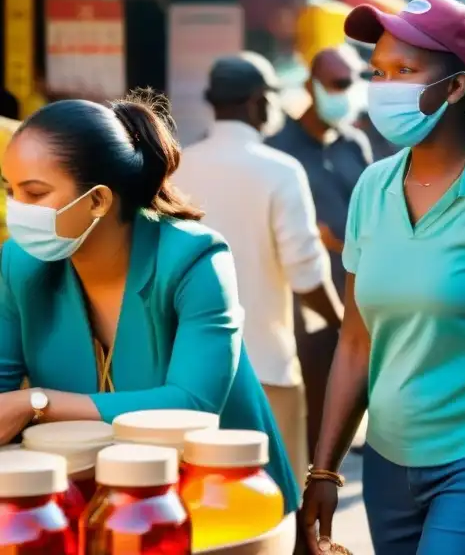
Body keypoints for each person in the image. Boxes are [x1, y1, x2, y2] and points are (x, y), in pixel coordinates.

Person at [301, 0, 465, 555]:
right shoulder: (371, 188)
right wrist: (323, 472)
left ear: (455, 86)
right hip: (388, 459)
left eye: (404, 71)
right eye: (377, 71)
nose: (382, 85)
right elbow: (356, 341)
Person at [0, 91, 301, 512]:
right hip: (95, 505)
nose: (17, 210)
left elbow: (191, 404)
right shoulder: (18, 263)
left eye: (34, 193)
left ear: (98, 201)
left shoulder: (195, 260)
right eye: (9, 190)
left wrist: (38, 403)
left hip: (221, 500)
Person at [173, 53, 343, 486]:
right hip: (268, 369)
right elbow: (305, 272)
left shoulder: (177, 167)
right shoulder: (280, 171)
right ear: (257, 102)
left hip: (185, 372)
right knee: (279, 502)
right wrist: (344, 325)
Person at [267, 45, 373, 461]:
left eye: (353, 83)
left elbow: (373, 216)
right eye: (339, 84)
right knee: (309, 399)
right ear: (311, 86)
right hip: (302, 298)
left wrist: (343, 242)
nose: (347, 93)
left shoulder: (354, 144)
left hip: (358, 290)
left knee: (356, 390)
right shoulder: (279, 148)